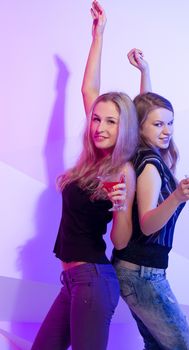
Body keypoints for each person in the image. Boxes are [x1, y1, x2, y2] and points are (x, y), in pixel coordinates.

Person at [81, 2, 189, 349]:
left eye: (170, 123)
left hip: (141, 271)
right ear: (141, 127)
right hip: (141, 273)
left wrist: (145, 71)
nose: (166, 130)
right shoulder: (147, 162)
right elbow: (149, 223)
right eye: (158, 124)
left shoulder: (146, 153)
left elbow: (145, 107)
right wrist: (99, 36)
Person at [31, 7, 138, 350]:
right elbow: (89, 89)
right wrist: (98, 35)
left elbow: (120, 241)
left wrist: (122, 207)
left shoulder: (122, 168)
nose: (99, 127)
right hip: (74, 281)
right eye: (97, 120)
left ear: (125, 127)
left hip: (93, 280)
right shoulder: (92, 162)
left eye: (111, 122)